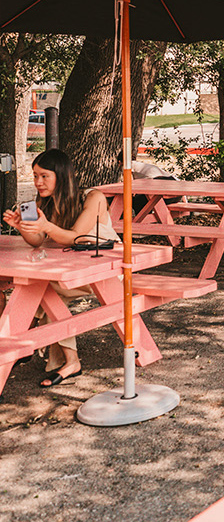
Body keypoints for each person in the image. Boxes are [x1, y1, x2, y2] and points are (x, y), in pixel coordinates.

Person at [2, 149, 118, 387]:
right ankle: (69, 361)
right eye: (35, 176)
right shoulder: (40, 203)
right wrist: (22, 227)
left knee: (41, 291)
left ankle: (19, 342)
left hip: (104, 270)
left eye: (44, 176)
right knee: (41, 288)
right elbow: (37, 240)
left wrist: (45, 225)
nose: (38, 182)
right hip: (67, 271)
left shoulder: (93, 197)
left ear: (62, 176)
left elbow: (75, 237)